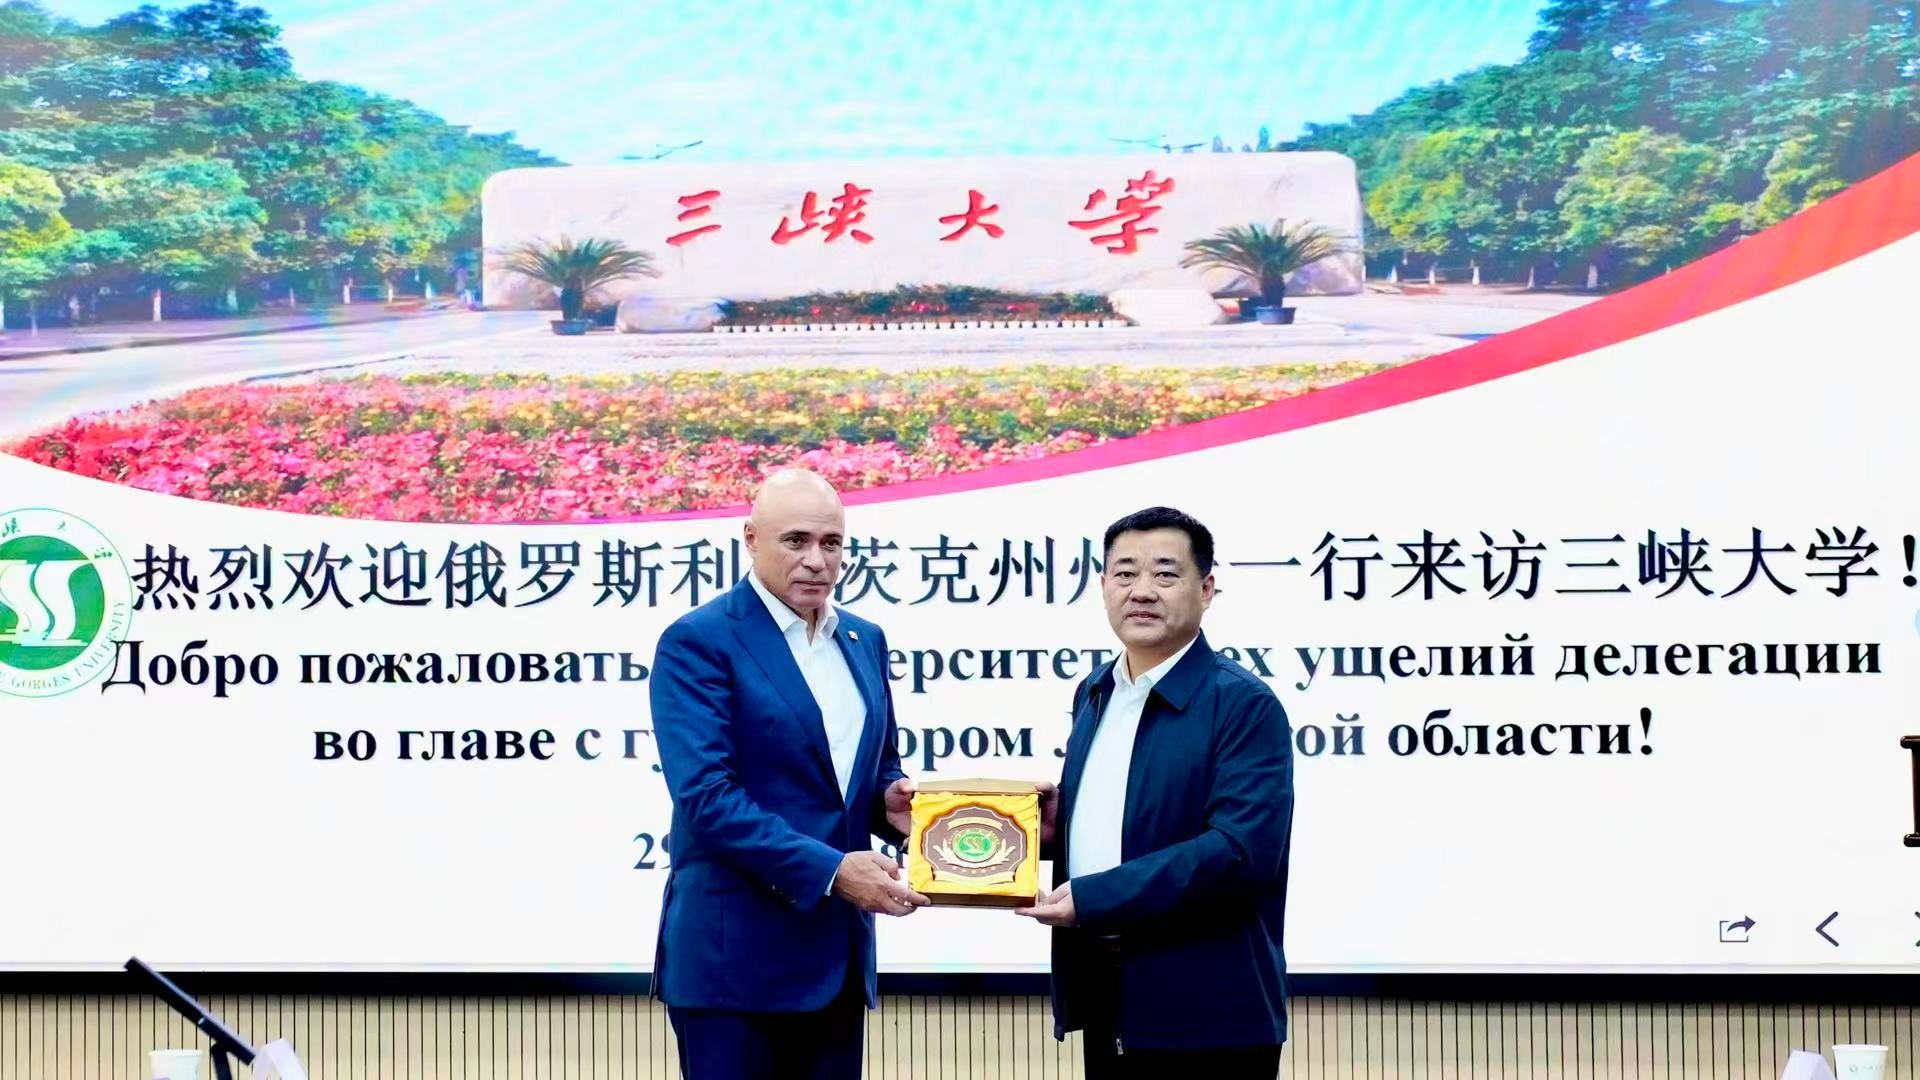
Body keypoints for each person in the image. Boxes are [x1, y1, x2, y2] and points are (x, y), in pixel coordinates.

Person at [650, 468, 928, 1080]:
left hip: (836, 961)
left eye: (832, 543)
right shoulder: (698, 641)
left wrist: (890, 801)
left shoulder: (863, 639)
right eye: (796, 540)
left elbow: (871, 768)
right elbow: (707, 798)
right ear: (751, 539)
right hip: (733, 967)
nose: (816, 561)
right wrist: (832, 870)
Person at [1018, 506, 1295, 1078]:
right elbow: (1130, 814)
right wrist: (1055, 829)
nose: (1142, 591)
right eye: (1125, 573)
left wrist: (1095, 896)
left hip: (1209, 1015)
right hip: (1107, 996)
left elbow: (1241, 852)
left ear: (1206, 589)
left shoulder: (1242, 703)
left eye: (1165, 574)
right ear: (1102, 586)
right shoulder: (1095, 691)